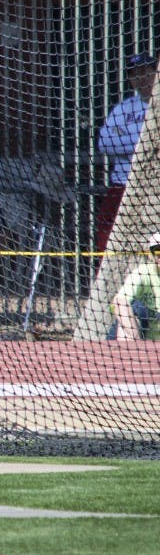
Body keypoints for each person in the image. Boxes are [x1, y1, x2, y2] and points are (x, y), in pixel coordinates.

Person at [97, 52, 158, 253]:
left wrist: (127, 142)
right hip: (122, 186)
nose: (140, 78)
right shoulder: (124, 108)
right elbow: (105, 143)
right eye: (134, 74)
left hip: (153, 189)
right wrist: (144, 142)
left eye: (145, 72)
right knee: (108, 241)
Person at [110, 232, 160, 341]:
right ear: (151, 255)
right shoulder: (142, 273)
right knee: (134, 307)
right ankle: (127, 353)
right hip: (141, 344)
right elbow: (117, 303)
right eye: (158, 251)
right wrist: (136, 342)